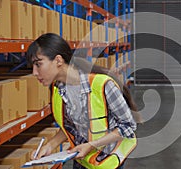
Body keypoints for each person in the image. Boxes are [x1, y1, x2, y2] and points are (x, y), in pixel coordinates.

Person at [27, 33, 138, 169]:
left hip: (107, 161)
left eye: (38, 64)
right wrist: (49, 146)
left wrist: (92, 145)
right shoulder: (57, 90)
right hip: (82, 160)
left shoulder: (102, 85)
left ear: (58, 60)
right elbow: (72, 125)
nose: (34, 72)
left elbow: (128, 126)